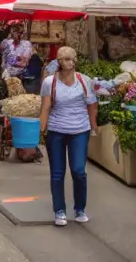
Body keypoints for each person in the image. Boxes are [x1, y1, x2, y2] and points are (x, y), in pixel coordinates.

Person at [37, 47, 98, 226]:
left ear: (75, 60)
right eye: (64, 59)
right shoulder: (50, 82)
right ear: (59, 62)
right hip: (56, 130)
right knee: (57, 173)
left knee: (79, 171)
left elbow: (92, 105)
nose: (68, 63)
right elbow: (46, 107)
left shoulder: (84, 81)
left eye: (71, 59)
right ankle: (60, 210)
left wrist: (94, 126)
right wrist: (41, 130)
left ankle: (80, 208)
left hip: (79, 130)